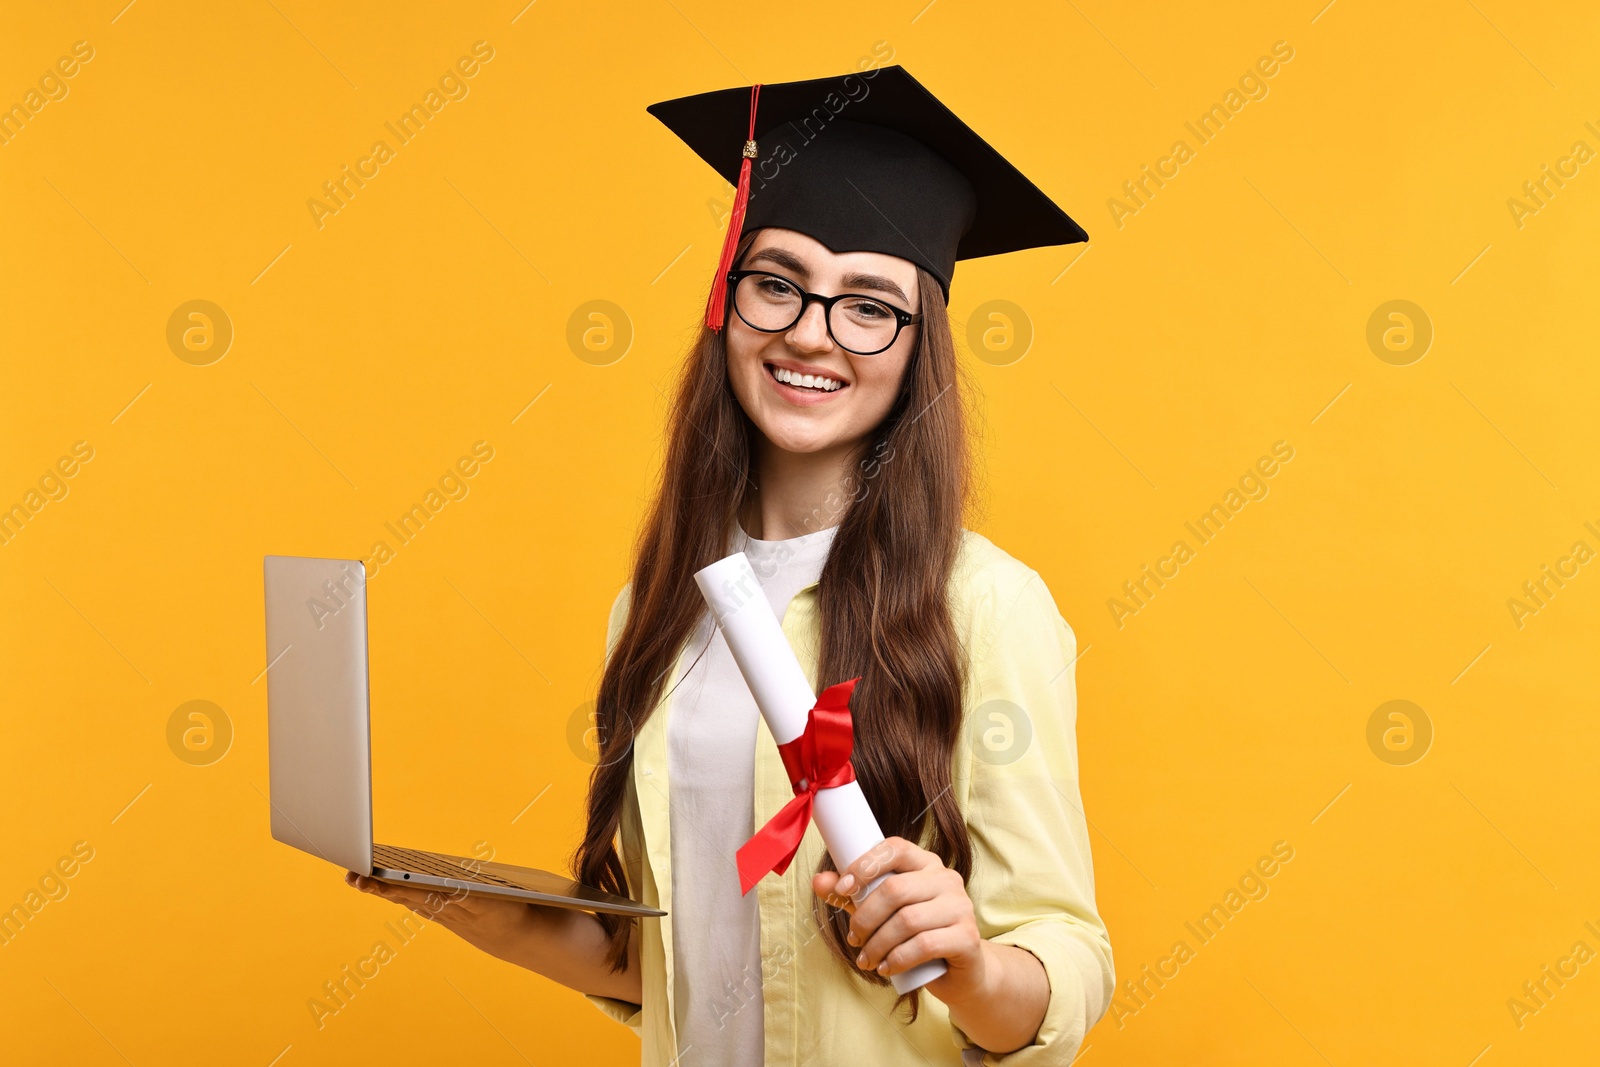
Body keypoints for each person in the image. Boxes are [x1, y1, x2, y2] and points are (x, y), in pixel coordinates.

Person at [347, 65, 1114, 1066]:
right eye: (778, 283)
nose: (808, 332)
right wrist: (465, 902)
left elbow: (1068, 964)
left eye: (867, 305)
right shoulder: (656, 610)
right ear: (727, 298)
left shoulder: (984, 606)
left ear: (918, 344)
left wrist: (966, 958)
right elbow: (668, 955)